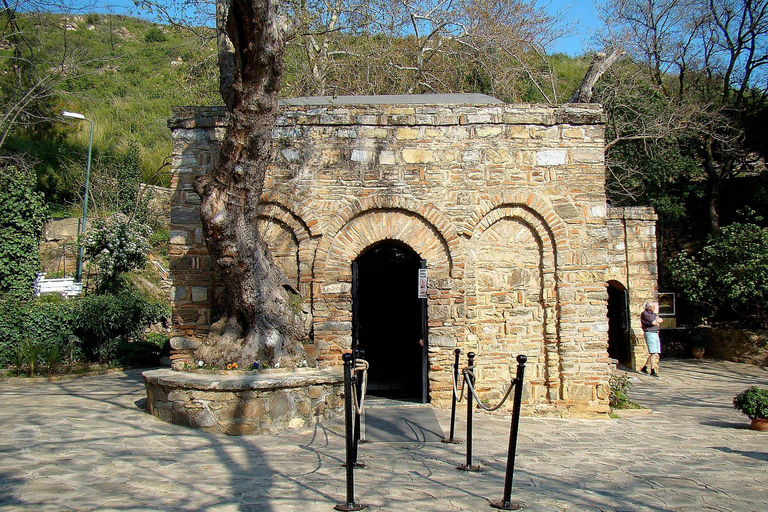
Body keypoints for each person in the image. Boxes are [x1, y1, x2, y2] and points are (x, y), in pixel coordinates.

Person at [640, 301, 663, 378]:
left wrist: (657, 321)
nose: (654, 308)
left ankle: (645, 367)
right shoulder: (645, 314)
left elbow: (660, 320)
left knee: (655, 351)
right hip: (650, 333)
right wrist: (657, 321)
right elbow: (654, 322)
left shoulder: (653, 313)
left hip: (655, 333)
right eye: (653, 307)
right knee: (653, 352)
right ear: (649, 308)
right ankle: (652, 370)